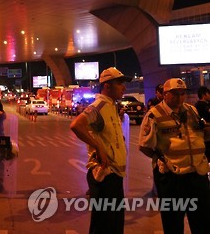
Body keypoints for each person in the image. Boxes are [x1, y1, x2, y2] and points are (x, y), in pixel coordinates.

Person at [139, 78, 210, 234]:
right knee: (173, 223)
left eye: (182, 94)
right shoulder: (154, 115)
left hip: (198, 175)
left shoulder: (192, 110)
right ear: (165, 95)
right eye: (174, 94)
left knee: (203, 221)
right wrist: (164, 160)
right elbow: (144, 146)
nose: (179, 98)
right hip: (172, 178)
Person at [70, 67, 131, 234]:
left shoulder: (112, 106)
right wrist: (98, 147)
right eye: (120, 83)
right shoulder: (100, 105)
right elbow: (76, 125)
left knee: (114, 225)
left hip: (115, 175)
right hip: (105, 176)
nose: (123, 87)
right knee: (104, 225)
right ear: (107, 86)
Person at [194, 85, 210, 159]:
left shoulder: (204, 105)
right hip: (206, 134)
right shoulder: (200, 106)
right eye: (208, 93)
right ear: (204, 95)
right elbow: (201, 121)